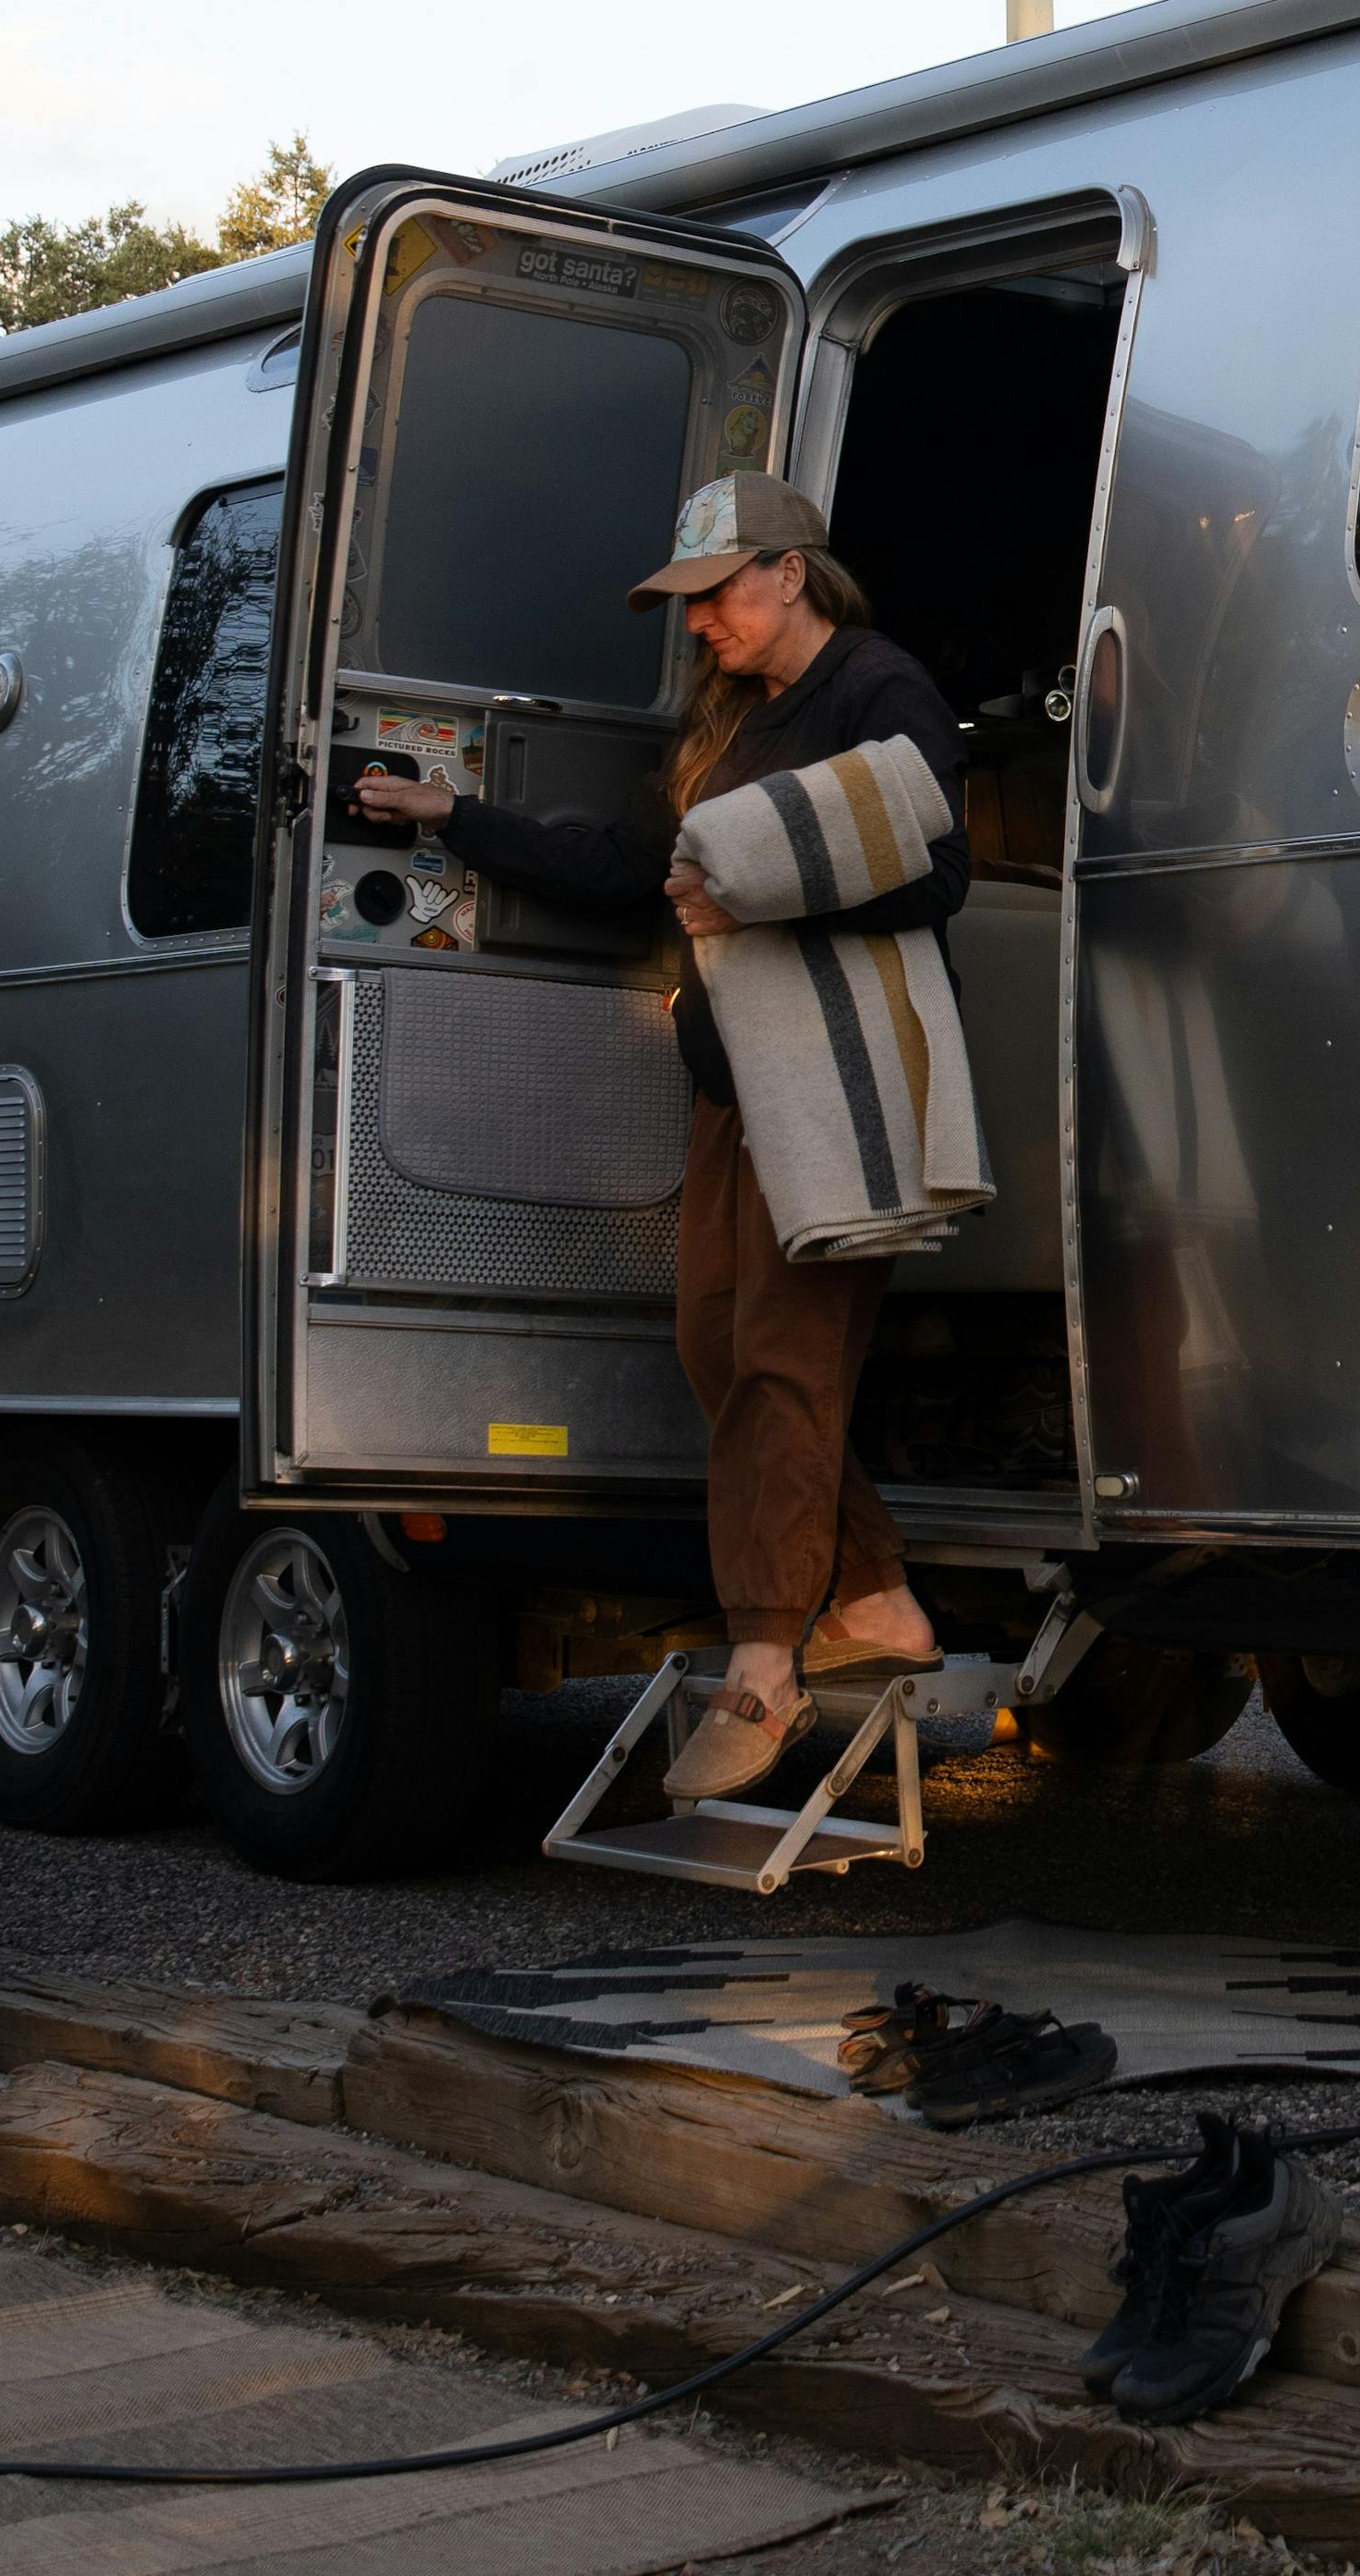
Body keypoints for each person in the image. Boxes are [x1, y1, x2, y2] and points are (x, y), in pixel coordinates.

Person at [337, 469, 966, 1799]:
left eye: (715, 594)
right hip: (734, 1082)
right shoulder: (726, 721)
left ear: (789, 572)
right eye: (687, 602)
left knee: (788, 1355)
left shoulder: (876, 688)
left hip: (834, 1082)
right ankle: (873, 1589)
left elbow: (934, 863)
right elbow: (632, 869)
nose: (698, 624)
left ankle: (764, 1660)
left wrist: (759, 889)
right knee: (712, 1340)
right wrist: (457, 817)